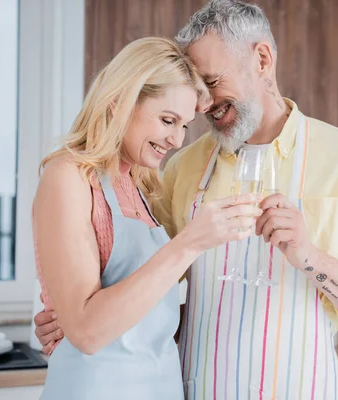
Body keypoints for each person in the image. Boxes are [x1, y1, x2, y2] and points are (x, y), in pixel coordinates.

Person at [35, 1, 338, 398]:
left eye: (212, 82)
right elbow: (141, 283)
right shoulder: (182, 166)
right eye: (194, 92)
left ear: (263, 59)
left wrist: (310, 257)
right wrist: (72, 317)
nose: (203, 104)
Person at [31, 36, 262, 399]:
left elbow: (145, 312)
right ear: (119, 102)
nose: (177, 140)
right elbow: (88, 333)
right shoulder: (69, 177)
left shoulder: (143, 186)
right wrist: (190, 243)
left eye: (184, 125)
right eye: (168, 120)